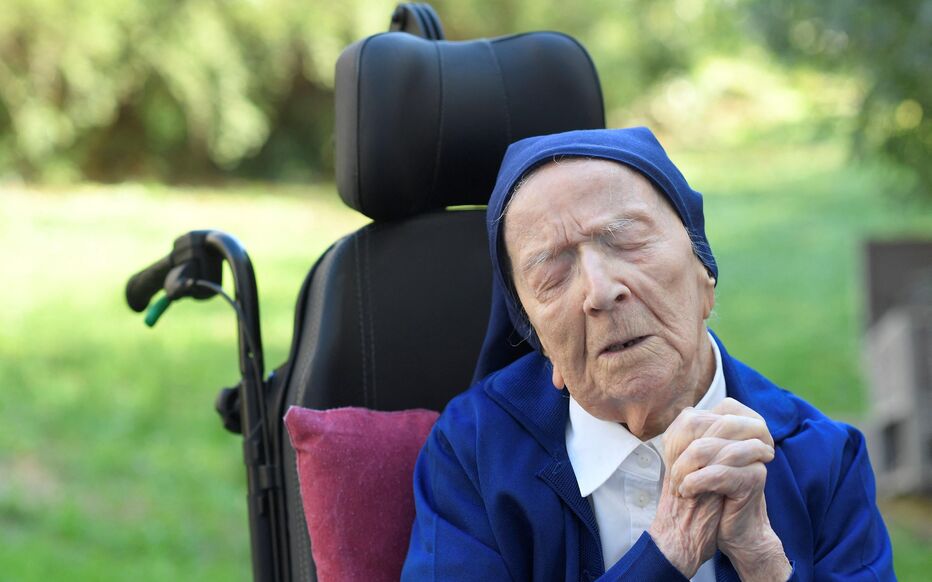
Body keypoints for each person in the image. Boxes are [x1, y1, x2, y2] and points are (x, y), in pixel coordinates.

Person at [401, 127, 894, 581]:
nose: (600, 290)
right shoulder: (474, 453)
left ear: (705, 275)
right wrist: (669, 549)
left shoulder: (822, 459)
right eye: (553, 273)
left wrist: (763, 561)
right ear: (538, 340)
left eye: (627, 240)